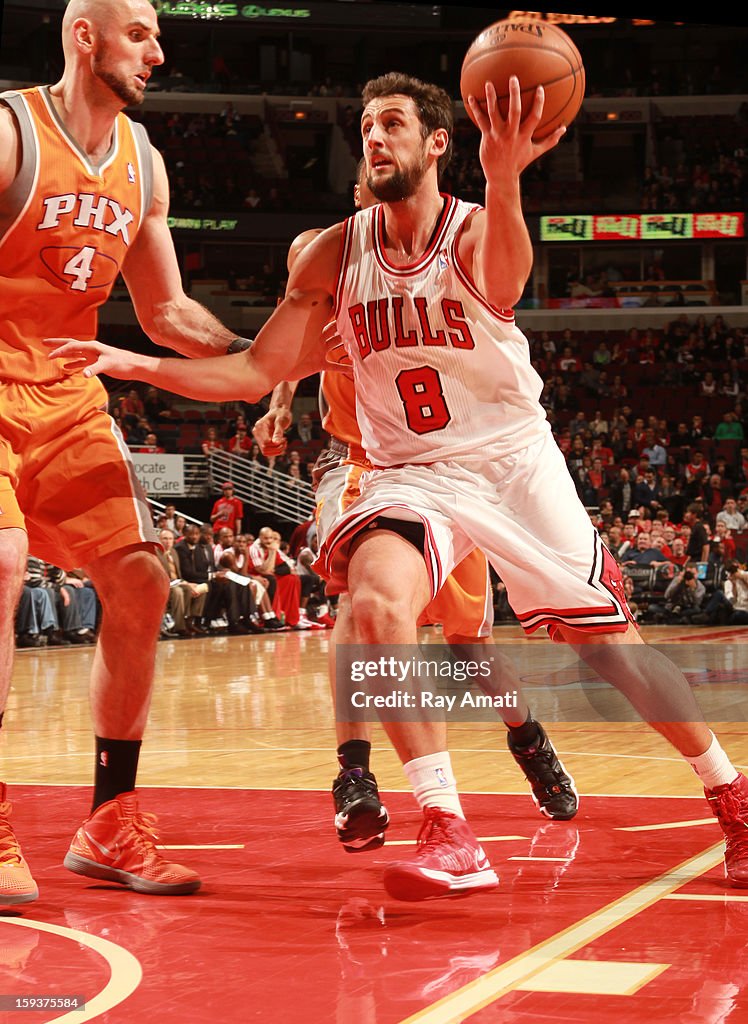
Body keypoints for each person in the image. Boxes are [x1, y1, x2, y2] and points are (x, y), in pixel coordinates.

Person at [48, 72, 748, 900]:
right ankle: (447, 828)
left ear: (436, 143)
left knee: (610, 650)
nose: (372, 137)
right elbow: (257, 370)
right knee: (374, 602)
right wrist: (135, 362)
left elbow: (510, 281)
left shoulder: (476, 228)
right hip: (409, 472)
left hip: (514, 463)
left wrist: (506, 173)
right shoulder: (330, 252)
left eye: (390, 124)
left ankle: (731, 797)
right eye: (365, 125)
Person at [1, 0, 265, 903]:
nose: (160, 49)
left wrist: (262, 354)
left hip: (68, 396)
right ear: (86, 37)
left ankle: (109, 822)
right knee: (1, 564)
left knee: (142, 580)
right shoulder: (9, 132)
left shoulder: (142, 162)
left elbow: (165, 314)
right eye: (141, 33)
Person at [253, 167, 578, 855]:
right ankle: (355, 774)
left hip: (441, 464)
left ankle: (528, 739)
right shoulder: (326, 251)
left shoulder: (449, 250)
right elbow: (289, 341)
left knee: (470, 645)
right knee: (357, 607)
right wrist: (280, 404)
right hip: (356, 461)